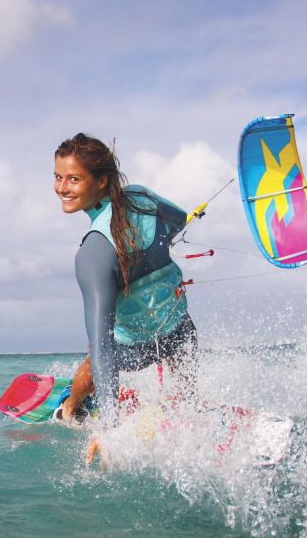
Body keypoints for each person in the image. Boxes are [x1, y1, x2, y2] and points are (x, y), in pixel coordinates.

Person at [52, 133, 198, 460]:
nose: (62, 188)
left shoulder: (93, 253)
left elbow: (103, 345)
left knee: (97, 356)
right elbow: (177, 221)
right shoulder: (142, 197)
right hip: (182, 334)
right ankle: (186, 407)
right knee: (175, 348)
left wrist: (110, 428)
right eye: (58, 177)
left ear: (101, 181)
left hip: (134, 352)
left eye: (74, 179)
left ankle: (70, 408)